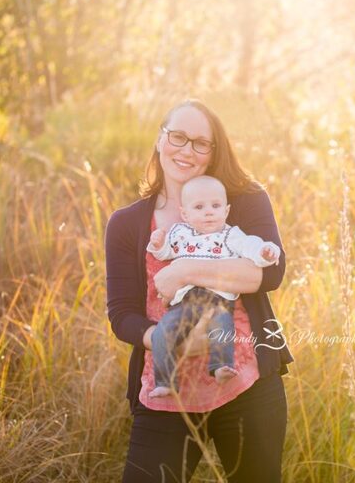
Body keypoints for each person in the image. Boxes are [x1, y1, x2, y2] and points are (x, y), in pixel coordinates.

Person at [105, 99, 294, 483]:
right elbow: (122, 314)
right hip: (165, 388)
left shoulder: (241, 203)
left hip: (248, 380)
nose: (186, 150)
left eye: (200, 143)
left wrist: (187, 269)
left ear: (213, 152)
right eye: (178, 137)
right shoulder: (126, 224)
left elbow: (270, 272)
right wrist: (164, 339)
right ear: (160, 140)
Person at [147, 174, 281, 397]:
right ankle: (166, 381)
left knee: (222, 327)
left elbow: (251, 247)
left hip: (217, 301)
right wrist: (158, 244)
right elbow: (165, 253)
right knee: (162, 333)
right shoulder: (180, 234)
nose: (209, 211)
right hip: (185, 303)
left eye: (215, 206)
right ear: (185, 214)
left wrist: (265, 252)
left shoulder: (230, 235)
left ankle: (219, 367)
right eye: (199, 207)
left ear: (226, 211)